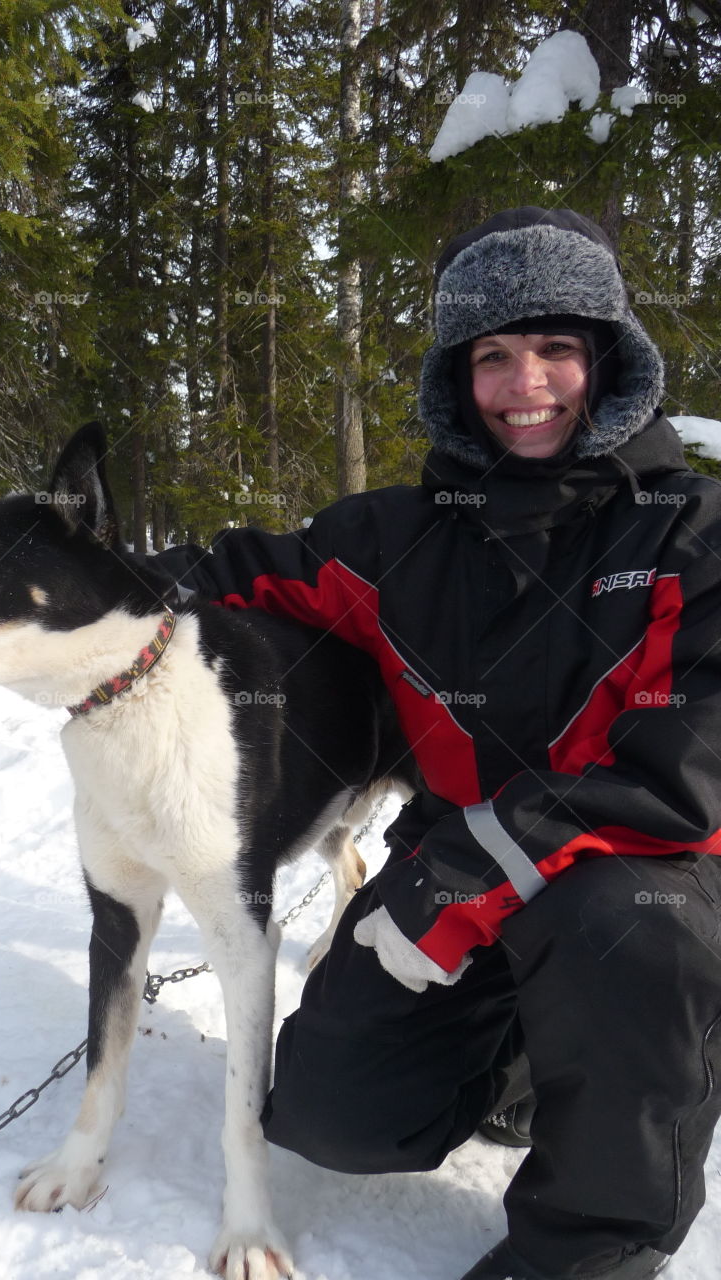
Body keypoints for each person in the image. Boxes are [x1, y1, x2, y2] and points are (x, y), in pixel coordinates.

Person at [152, 207, 721, 1279]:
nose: (527, 384)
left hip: (643, 873)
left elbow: (685, 772)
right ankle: (519, 1056)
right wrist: (75, 588)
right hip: (451, 857)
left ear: (608, 359)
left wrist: (469, 872)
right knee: (332, 1116)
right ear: (457, 377)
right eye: (494, 355)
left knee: (630, 927)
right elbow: (237, 571)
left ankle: (594, 1243)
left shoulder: (693, 533)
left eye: (556, 348)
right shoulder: (395, 536)